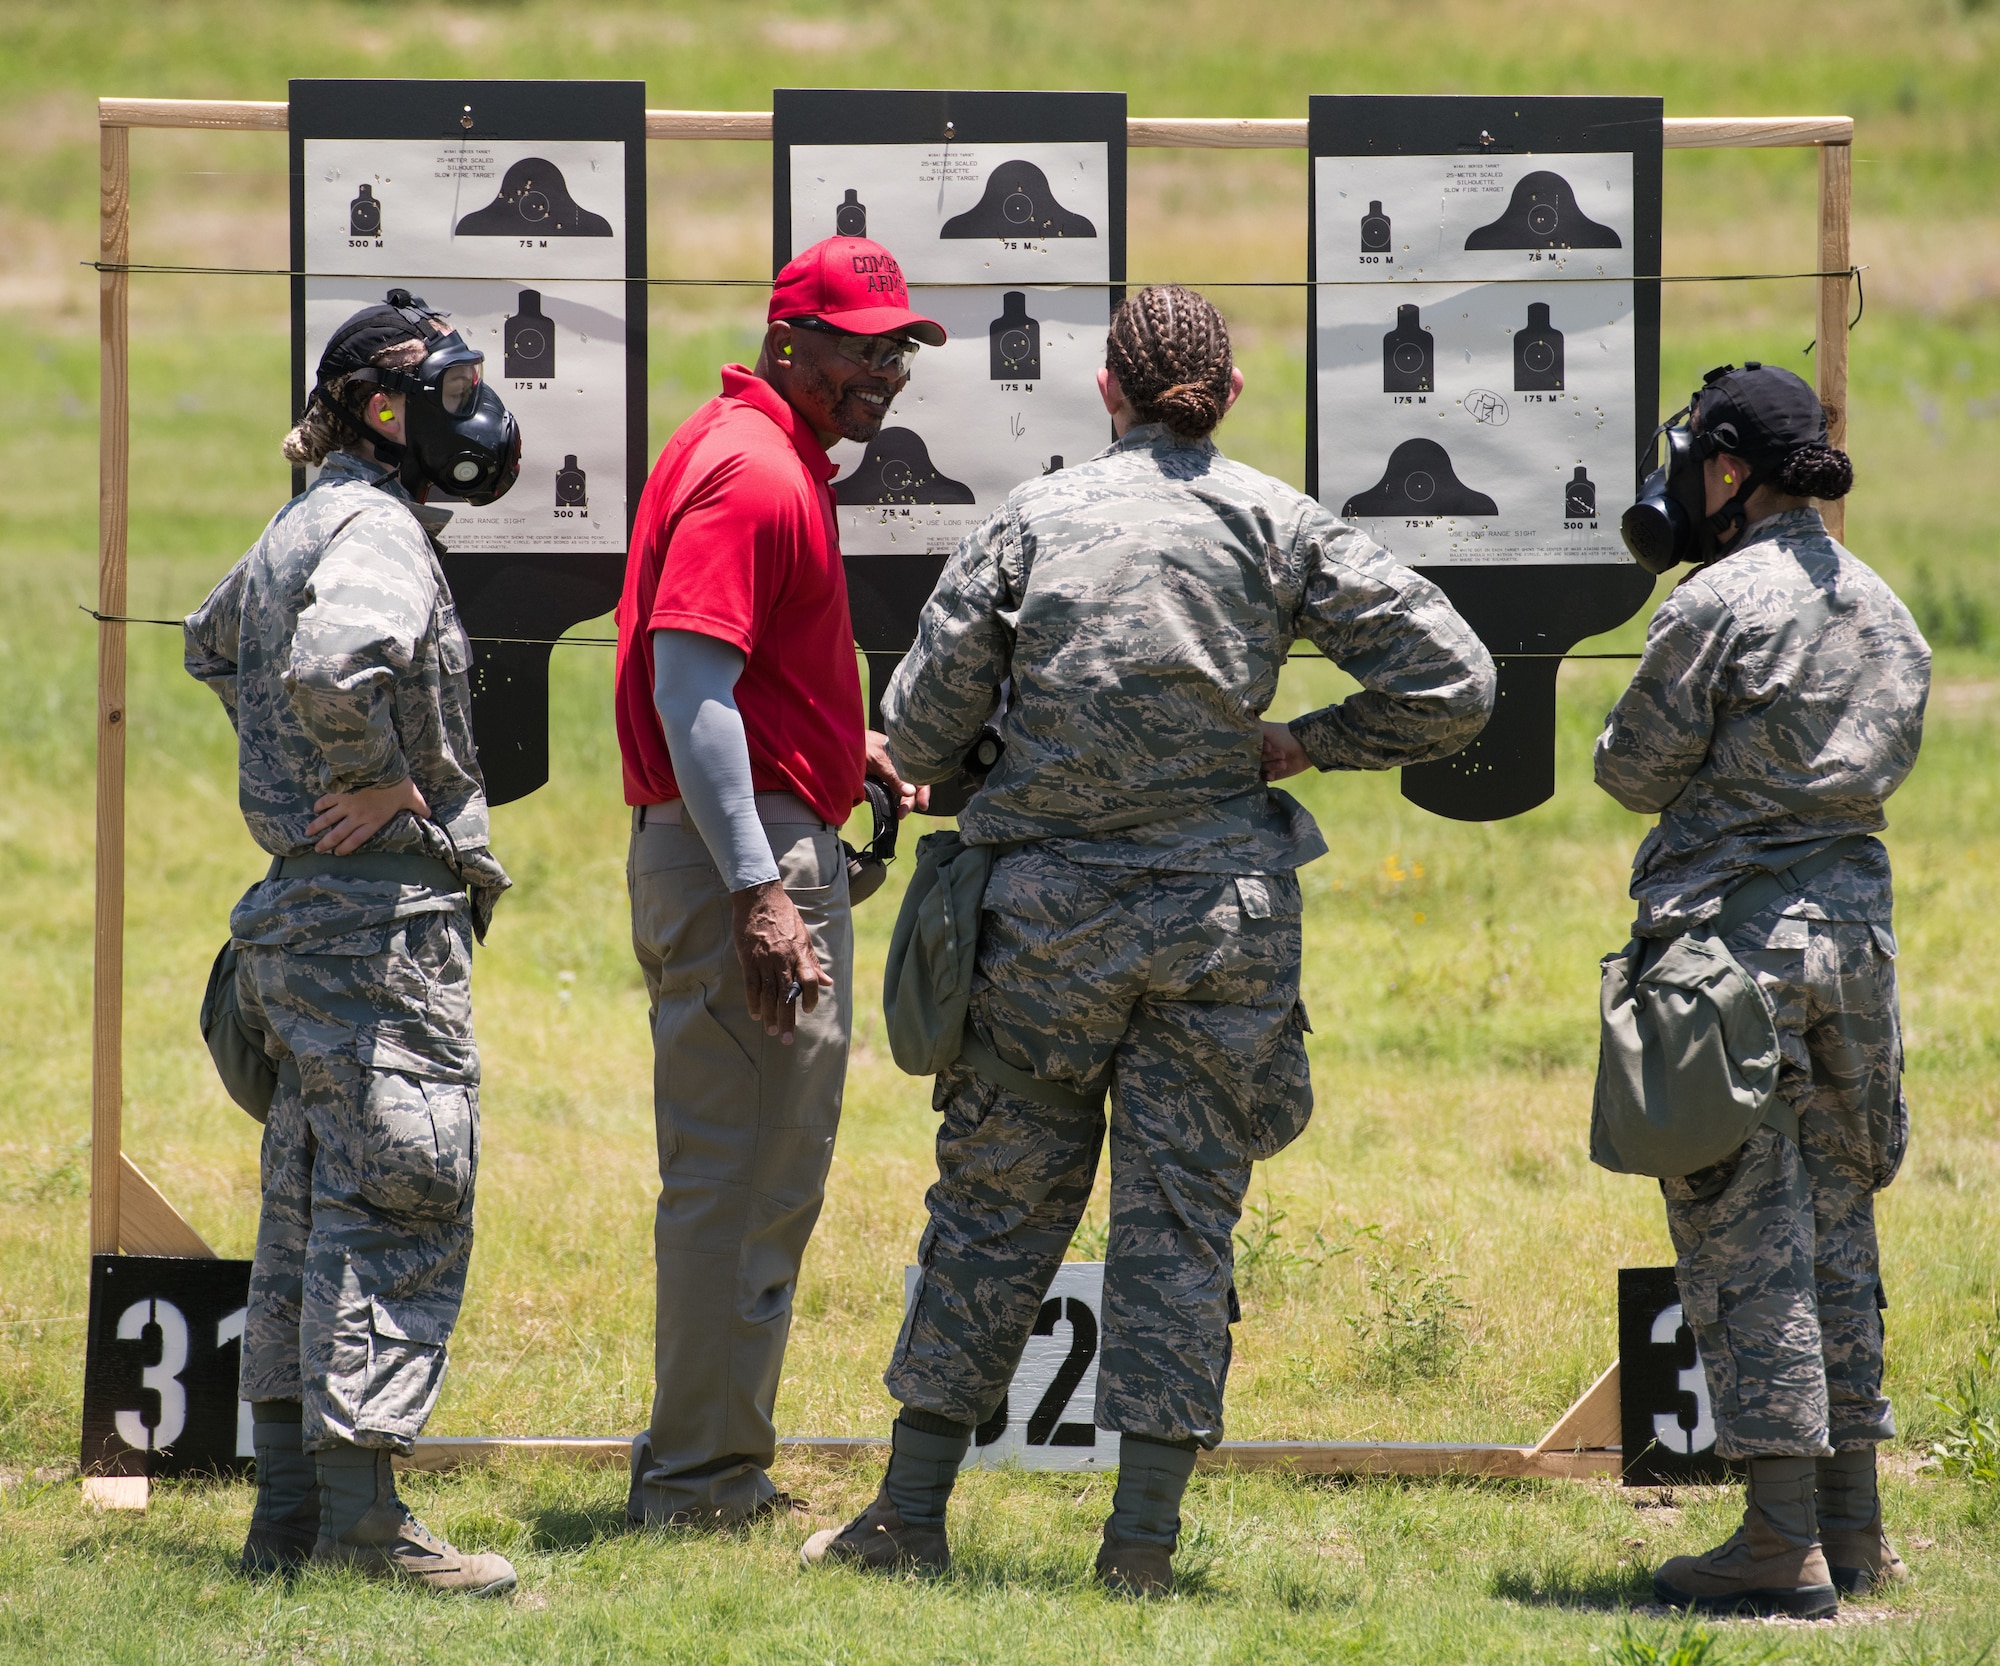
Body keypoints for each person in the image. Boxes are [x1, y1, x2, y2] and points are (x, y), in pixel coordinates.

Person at [802, 285, 1497, 1594]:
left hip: (1045, 935)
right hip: (1217, 937)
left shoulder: (1034, 517)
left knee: (992, 1214)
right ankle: (1141, 1548)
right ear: (1225, 397)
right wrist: (1305, 741)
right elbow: (1455, 679)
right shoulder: (1278, 522)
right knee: (1180, 1228)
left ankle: (905, 1516)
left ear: (1106, 395)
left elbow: (924, 719)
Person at [184, 291, 521, 1594]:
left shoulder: (301, 519)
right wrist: (379, 778)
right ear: (384, 408)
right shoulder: (374, 526)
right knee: (397, 1201)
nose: (470, 413)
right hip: (375, 927)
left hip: (296, 920)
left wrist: (286, 777)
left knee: (306, 1210)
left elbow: (216, 641)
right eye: (446, 388)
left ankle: (288, 1516)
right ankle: (371, 1523)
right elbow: (331, 666)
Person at [1594, 363, 1930, 1617]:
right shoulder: (1889, 608)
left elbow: (1631, 770)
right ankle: (1852, 1527)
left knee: (1745, 1228)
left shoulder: (1713, 604)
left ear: (1729, 469)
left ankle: (1774, 1540)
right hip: (1856, 951)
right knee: (1839, 1222)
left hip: (1732, 951)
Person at [612, 234, 934, 1529]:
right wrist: (759, 884)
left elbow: (728, 678)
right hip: (731, 858)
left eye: (900, 346)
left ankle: (704, 1460)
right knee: (744, 1179)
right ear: (790, 338)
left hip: (739, 833)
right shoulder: (755, 472)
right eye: (863, 344)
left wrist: (823, 736)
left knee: (745, 1170)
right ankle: (699, 1481)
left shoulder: (758, 446)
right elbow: (687, 683)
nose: (887, 370)